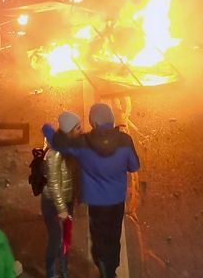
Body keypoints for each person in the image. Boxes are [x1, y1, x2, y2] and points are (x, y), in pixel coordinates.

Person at [44, 103, 140, 278]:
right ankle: (112, 269)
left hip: (97, 202)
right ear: (111, 120)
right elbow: (134, 165)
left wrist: (47, 130)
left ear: (93, 123)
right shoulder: (125, 141)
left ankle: (104, 270)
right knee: (113, 235)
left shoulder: (83, 143)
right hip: (117, 200)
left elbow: (60, 144)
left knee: (99, 238)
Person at [40, 112, 80, 278]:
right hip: (52, 203)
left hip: (68, 200)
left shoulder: (72, 148)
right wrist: (62, 209)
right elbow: (54, 184)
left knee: (66, 239)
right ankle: (50, 271)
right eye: (77, 128)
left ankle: (63, 269)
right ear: (69, 130)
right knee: (56, 240)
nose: (81, 130)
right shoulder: (55, 153)